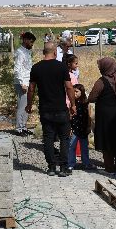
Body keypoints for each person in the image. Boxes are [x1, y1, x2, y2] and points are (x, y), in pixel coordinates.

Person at [27, 41, 76, 176]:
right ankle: (64, 167)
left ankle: (51, 167)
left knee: (48, 137)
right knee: (64, 138)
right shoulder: (61, 67)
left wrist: (29, 104)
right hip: (60, 108)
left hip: (45, 109)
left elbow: (31, 89)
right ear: (55, 52)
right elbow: (69, 87)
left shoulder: (36, 68)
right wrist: (73, 105)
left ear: (44, 52)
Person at [90, 57, 116, 173]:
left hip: (105, 116)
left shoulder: (101, 82)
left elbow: (92, 97)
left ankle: (109, 167)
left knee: (107, 141)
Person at [13, 31, 36, 136]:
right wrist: (22, 83)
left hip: (28, 81)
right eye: (31, 42)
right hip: (22, 82)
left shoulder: (27, 52)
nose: (32, 44)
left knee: (27, 105)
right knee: (22, 106)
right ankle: (19, 128)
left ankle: (24, 126)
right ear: (25, 40)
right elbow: (17, 69)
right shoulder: (20, 52)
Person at [68, 84, 92, 171]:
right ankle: (71, 163)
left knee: (84, 146)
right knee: (71, 146)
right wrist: (69, 128)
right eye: (73, 91)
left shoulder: (86, 103)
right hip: (74, 127)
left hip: (83, 127)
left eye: (76, 91)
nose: (74, 93)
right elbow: (70, 116)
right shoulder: (72, 102)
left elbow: (89, 116)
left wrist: (89, 126)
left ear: (82, 92)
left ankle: (86, 163)